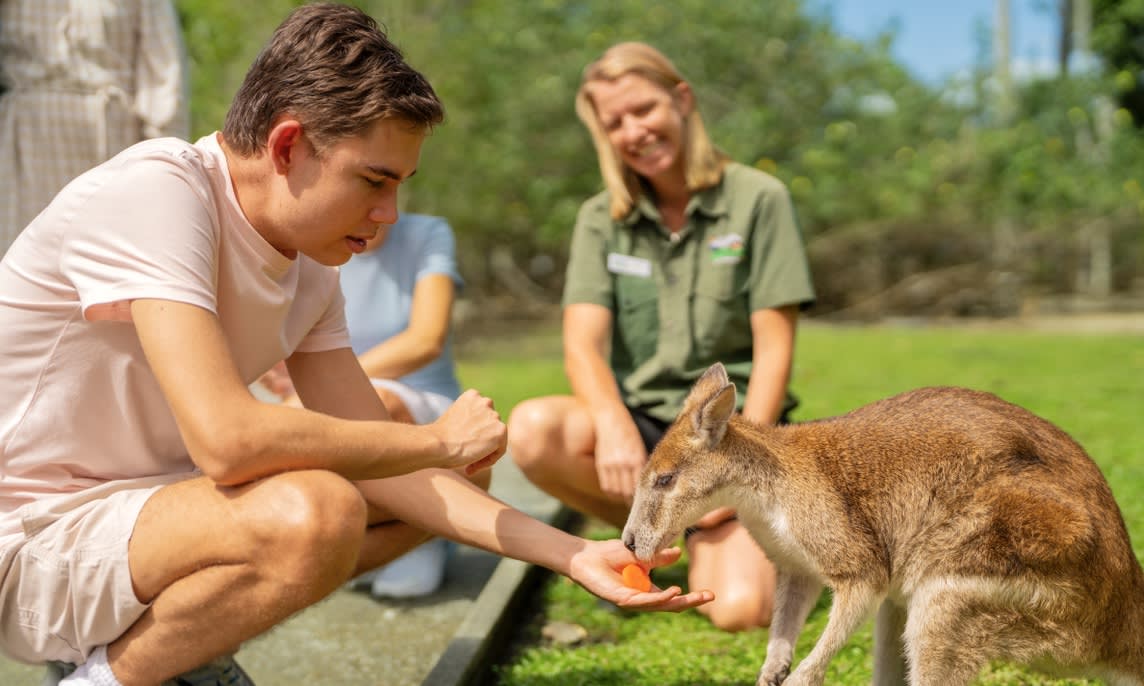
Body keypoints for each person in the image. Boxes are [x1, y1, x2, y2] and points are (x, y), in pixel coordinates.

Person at [0, 7, 712, 685]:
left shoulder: (310, 265)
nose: (388, 215)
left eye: (399, 186)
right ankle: (114, 675)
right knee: (317, 511)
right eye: (373, 181)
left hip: (148, 520)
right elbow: (228, 442)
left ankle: (165, 653)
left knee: (442, 486)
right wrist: (438, 441)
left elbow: (378, 457)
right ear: (287, 145)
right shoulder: (158, 191)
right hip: (31, 537)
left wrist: (574, 553)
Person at [507, 41, 816, 633]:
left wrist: (739, 461)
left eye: (643, 109)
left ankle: (701, 534)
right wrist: (613, 423)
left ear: (681, 100)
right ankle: (661, 536)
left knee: (741, 613)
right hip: (648, 430)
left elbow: (775, 350)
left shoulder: (758, 199)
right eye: (614, 122)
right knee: (534, 429)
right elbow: (582, 345)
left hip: (736, 428)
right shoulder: (602, 219)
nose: (634, 130)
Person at [260, 211, 480, 599]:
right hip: (335, 406)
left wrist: (325, 387)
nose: (385, 209)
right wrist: (282, 374)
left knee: (375, 402)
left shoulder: (427, 233)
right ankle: (396, 534)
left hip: (421, 402)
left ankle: (424, 536)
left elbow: (425, 341)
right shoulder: (304, 249)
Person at [0, 0, 190, 256]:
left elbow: (164, 77)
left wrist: (167, 167)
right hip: (25, 143)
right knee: (23, 254)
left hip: (111, 144)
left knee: (105, 258)